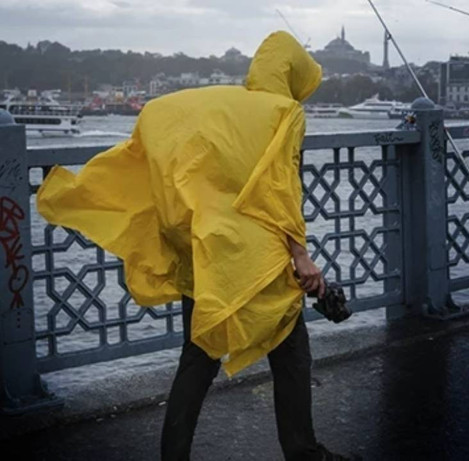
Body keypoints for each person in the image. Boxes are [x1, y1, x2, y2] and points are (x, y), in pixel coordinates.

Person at [36, 31, 352, 460]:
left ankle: (174, 455)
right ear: (293, 73)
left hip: (203, 250)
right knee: (291, 354)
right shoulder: (285, 113)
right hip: (257, 261)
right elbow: (279, 191)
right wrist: (301, 255)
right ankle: (303, 453)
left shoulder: (221, 106)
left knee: (198, 356)